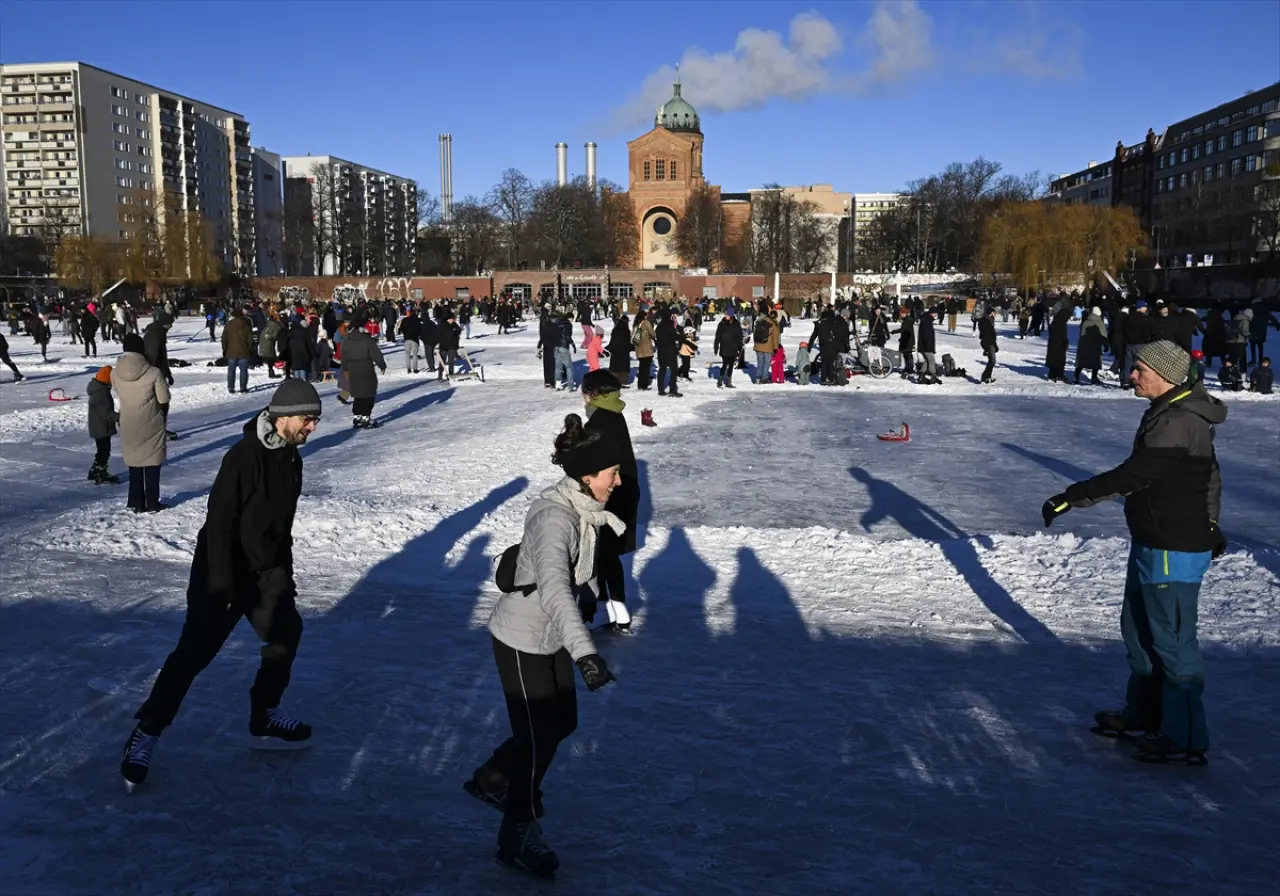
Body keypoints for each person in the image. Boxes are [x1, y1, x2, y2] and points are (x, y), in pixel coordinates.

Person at [120, 379, 323, 793]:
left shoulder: (291, 459)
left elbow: (280, 526)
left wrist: (283, 575)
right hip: (223, 569)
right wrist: (221, 585)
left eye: (314, 420)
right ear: (283, 417)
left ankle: (263, 714)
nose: (312, 428)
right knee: (194, 653)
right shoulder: (243, 456)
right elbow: (220, 524)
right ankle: (148, 730)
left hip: (266, 571)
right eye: (308, 419)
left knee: (286, 634)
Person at [1042, 341, 1227, 766]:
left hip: (1172, 547)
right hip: (1153, 539)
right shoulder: (1168, 410)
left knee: (1173, 643)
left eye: (1138, 369)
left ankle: (1185, 736)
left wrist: (1074, 497)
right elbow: (1211, 477)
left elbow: (1135, 475)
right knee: (1139, 633)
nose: (1131, 375)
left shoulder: (1180, 420)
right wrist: (1212, 524)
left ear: (1162, 374)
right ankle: (1145, 714)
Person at [467, 414, 621, 879]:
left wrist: (589, 597)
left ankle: (492, 779)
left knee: (562, 723)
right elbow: (554, 588)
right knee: (536, 740)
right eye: (611, 473)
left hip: (550, 632)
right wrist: (586, 654)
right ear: (587, 476)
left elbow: (578, 577)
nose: (618, 480)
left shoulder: (584, 510)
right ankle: (517, 836)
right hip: (521, 637)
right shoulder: (556, 517)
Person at [580, 370, 640, 632]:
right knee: (608, 555)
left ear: (592, 393)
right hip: (623, 490)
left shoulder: (598, 422)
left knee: (598, 553)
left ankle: (603, 609)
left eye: (584, 390)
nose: (582, 396)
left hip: (607, 494)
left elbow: (590, 464)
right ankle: (619, 612)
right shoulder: (614, 414)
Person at [114, 333, 170, 513]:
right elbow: (164, 398)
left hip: (128, 421)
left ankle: (135, 502)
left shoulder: (115, 372)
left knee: (134, 462)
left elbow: (118, 392)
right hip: (151, 421)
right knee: (152, 462)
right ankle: (152, 502)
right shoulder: (153, 372)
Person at [340, 314, 386, 429]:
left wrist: (345, 368)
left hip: (353, 369)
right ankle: (366, 416)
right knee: (369, 393)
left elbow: (344, 355)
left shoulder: (347, 339)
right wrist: (382, 364)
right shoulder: (366, 339)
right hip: (366, 368)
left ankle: (357, 415)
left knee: (358, 394)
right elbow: (375, 352)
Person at [86, 364, 120, 484]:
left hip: (100, 426)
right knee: (104, 451)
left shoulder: (100, 390)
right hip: (101, 428)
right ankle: (100, 471)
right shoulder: (101, 394)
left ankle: (96, 469)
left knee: (103, 450)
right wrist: (120, 417)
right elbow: (106, 413)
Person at [222, 307, 255, 394]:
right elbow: (250, 339)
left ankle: (231, 387)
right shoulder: (246, 325)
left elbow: (224, 339)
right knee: (243, 370)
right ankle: (243, 387)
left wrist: (224, 349)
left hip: (231, 351)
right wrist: (250, 349)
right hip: (244, 351)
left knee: (231, 371)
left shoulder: (228, 325)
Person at [713, 307, 743, 389]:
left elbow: (739, 336)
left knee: (731, 366)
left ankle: (728, 381)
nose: (725, 315)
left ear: (731, 315)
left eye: (727, 314)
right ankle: (720, 380)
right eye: (725, 314)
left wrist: (740, 347)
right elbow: (717, 336)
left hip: (733, 348)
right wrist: (716, 346)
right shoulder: (722, 324)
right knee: (724, 364)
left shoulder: (736, 324)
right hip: (724, 347)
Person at [978, 306, 998, 384]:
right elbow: (985, 335)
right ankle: (985, 376)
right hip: (988, 343)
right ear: (990, 313)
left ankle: (987, 377)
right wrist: (986, 348)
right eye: (994, 313)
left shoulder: (990, 320)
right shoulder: (985, 321)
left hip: (991, 343)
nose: (995, 314)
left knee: (992, 361)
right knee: (992, 361)